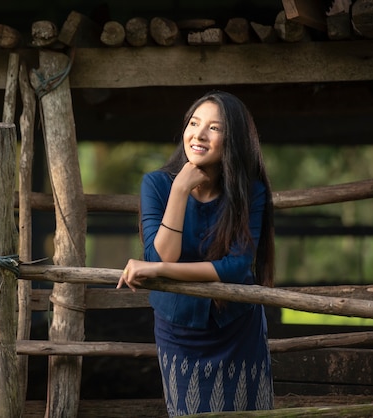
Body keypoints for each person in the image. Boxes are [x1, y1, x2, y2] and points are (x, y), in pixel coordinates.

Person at [117, 90, 275, 416]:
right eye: (194, 123)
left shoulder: (250, 191)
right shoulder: (157, 185)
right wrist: (180, 189)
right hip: (179, 330)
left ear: (234, 139)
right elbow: (163, 255)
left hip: (237, 327)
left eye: (214, 128)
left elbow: (235, 267)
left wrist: (158, 272)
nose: (199, 135)